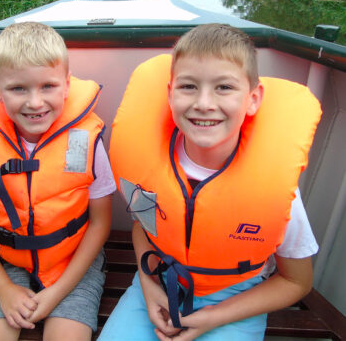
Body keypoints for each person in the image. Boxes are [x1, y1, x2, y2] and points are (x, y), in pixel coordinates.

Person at [99, 24, 322, 341]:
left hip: (234, 303)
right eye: (188, 86)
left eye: (224, 88)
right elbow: (144, 227)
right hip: (157, 283)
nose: (204, 103)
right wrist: (149, 289)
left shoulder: (276, 190)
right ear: (169, 94)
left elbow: (296, 282)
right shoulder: (148, 164)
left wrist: (211, 318)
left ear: (253, 99)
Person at [0, 22, 115, 341]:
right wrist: (3, 290)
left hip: (72, 264)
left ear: (67, 85)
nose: (35, 102)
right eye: (18, 89)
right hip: (5, 262)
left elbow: (100, 223)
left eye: (48, 87)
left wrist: (57, 294)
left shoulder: (85, 142)